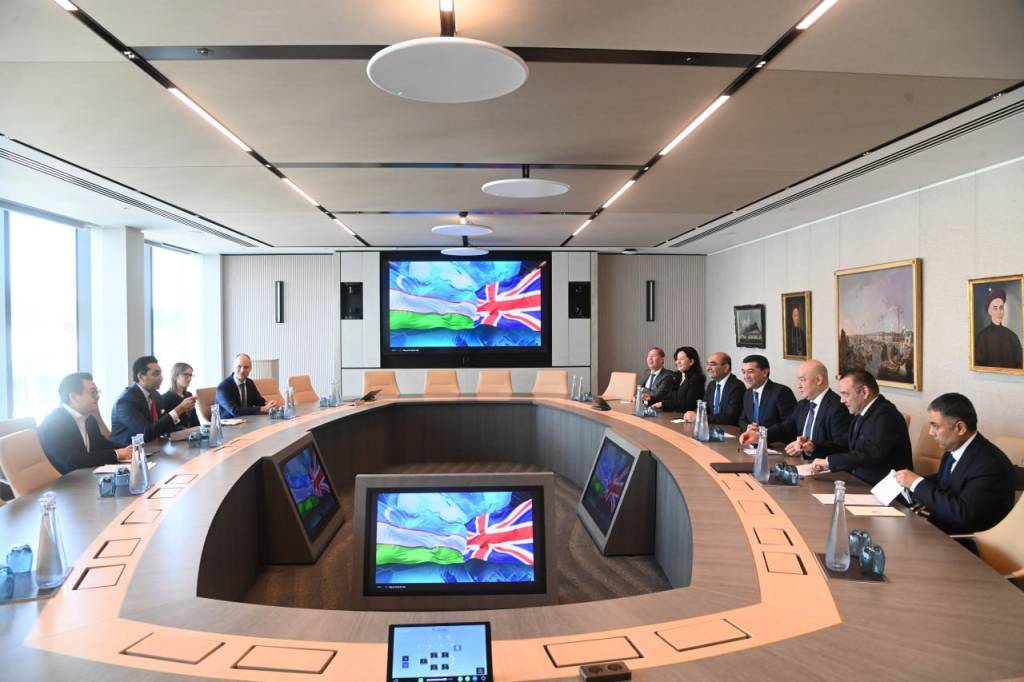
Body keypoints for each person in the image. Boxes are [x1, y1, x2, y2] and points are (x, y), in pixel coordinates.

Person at [893, 393, 1015, 535]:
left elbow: (962, 514)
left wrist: (916, 483)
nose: (931, 432)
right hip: (939, 529)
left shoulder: (990, 465)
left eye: (935, 426)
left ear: (960, 428)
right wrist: (908, 483)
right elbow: (946, 480)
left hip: (964, 541)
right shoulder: (956, 448)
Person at [810, 369, 912, 485]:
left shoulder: (887, 415)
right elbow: (845, 445)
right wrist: (814, 447)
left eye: (845, 394)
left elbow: (872, 455)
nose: (842, 400)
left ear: (864, 392)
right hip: (859, 481)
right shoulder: (862, 411)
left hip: (880, 488)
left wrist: (829, 462)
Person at [739, 360, 850, 458]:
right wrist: (760, 436)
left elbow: (841, 445)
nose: (799, 385)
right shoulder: (803, 405)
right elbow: (785, 428)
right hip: (801, 463)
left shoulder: (837, 407)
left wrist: (811, 447)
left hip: (825, 468)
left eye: (802, 380)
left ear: (818, 380)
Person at [38, 373, 132, 474]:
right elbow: (73, 461)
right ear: (74, 397)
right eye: (93, 393)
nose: (98, 397)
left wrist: (129, 448)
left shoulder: (89, 419)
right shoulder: (54, 425)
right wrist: (117, 454)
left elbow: (101, 444)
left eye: (97, 392)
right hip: (67, 480)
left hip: (85, 474)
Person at [111, 356, 197, 445]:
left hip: (153, 447)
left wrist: (191, 432)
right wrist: (180, 409)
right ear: (141, 376)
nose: (161, 378)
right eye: (156, 374)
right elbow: (147, 433)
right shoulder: (125, 402)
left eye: (161, 374)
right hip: (127, 451)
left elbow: (161, 426)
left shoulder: (155, 395)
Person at [737, 355, 797, 432]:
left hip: (774, 439)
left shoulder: (781, 392)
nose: (746, 376)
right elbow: (742, 419)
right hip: (752, 437)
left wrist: (763, 432)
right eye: (744, 372)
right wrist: (748, 427)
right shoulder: (748, 393)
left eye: (750, 372)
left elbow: (790, 424)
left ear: (764, 372)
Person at [684, 352, 744, 426]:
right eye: (707, 364)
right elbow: (705, 408)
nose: (708, 368)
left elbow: (731, 418)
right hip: (713, 427)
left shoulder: (737, 387)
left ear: (726, 367)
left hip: (729, 429)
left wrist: (700, 418)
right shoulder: (711, 385)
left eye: (712, 364)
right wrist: (694, 414)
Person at [216, 353, 279, 417]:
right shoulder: (223, 387)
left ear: (250, 369)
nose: (242, 370)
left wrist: (269, 404)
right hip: (228, 421)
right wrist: (262, 409)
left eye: (246, 367)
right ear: (234, 368)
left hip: (248, 420)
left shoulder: (249, 383)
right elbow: (235, 411)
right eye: (239, 366)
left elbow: (259, 401)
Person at [974, 287, 1023, 369]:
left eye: (1001, 308)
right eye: (995, 308)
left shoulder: (1012, 337)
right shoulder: (981, 338)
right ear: (989, 311)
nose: (999, 312)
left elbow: (1020, 365)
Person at [653, 347, 706, 414]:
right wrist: (651, 399)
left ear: (691, 362)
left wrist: (664, 404)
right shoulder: (677, 375)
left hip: (688, 417)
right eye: (677, 359)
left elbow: (690, 404)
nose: (677, 362)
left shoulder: (697, 378)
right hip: (674, 414)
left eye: (681, 359)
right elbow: (668, 396)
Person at [162, 362, 200, 430]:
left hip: (192, 433)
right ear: (175, 376)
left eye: (191, 375)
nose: (189, 379)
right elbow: (167, 426)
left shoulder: (189, 395)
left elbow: (195, 422)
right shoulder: (165, 398)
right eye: (186, 375)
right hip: (177, 435)